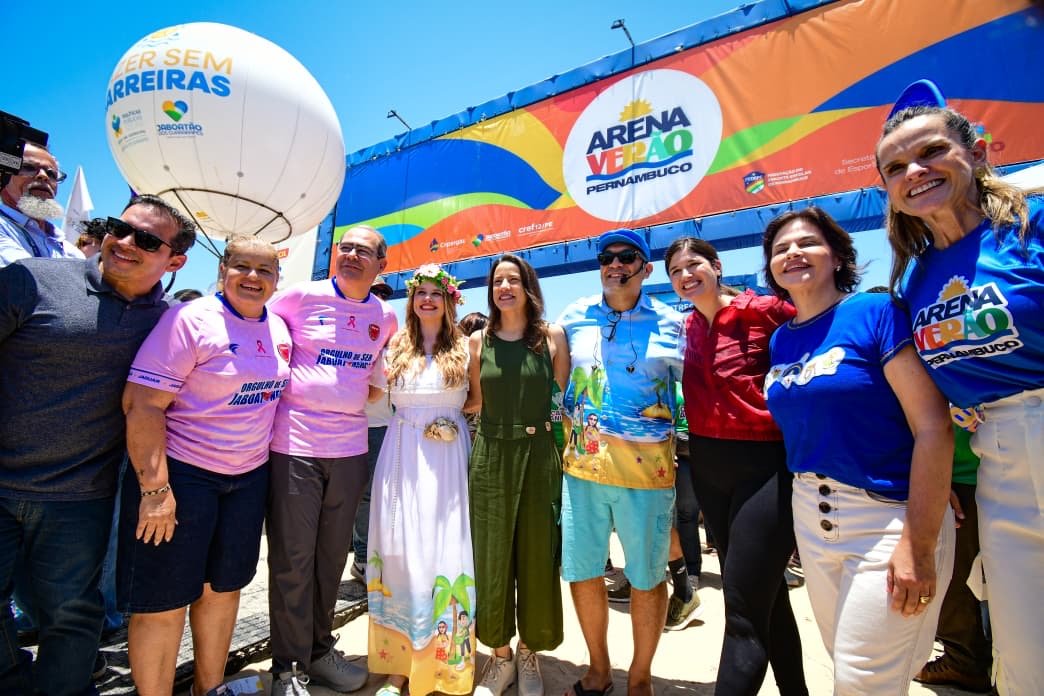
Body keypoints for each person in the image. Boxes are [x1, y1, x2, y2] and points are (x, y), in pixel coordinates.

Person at [875, 87, 1044, 694]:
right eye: (896, 167)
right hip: (999, 466)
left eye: (930, 152)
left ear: (975, 151)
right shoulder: (915, 281)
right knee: (1025, 655)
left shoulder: (1033, 224)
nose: (914, 172)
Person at [0, 195, 195, 694]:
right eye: (118, 228)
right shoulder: (32, 278)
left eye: (146, 240)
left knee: (71, 613)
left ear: (175, 261)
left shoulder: (173, 324)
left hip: (81, 498)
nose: (124, 243)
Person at [761, 206, 955, 693]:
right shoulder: (781, 341)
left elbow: (932, 423)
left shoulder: (875, 311)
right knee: (850, 662)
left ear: (837, 255)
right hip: (811, 516)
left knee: (861, 678)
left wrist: (921, 532)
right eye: (780, 249)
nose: (793, 253)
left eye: (807, 242)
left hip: (887, 518)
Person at [120, 236, 290, 695]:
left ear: (277, 280)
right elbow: (142, 404)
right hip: (183, 475)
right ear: (223, 271)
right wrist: (155, 491)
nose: (253, 277)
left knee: (223, 588)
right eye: (242, 266)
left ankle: (208, 688)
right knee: (164, 601)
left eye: (265, 270)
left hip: (247, 478)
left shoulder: (279, 328)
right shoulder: (189, 319)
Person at [665, 237, 807, 694]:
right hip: (707, 466)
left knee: (742, 611)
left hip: (764, 466)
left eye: (694, 265)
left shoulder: (764, 311)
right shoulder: (684, 327)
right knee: (770, 600)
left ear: (717, 265)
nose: (686, 276)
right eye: (676, 271)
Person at [266, 226, 397, 694]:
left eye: (365, 251)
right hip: (294, 447)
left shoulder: (386, 316)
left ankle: (319, 652)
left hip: (350, 450)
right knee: (292, 561)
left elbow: (377, 375)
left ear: (383, 264)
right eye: (346, 247)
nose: (352, 255)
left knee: (328, 561)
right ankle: (287, 667)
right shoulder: (298, 297)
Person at [557, 228, 683, 696]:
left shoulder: (673, 323)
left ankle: (641, 678)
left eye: (626, 256)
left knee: (647, 577)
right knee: (583, 571)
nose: (614, 264)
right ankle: (598, 669)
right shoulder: (572, 317)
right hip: (581, 470)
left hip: (646, 475)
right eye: (606, 257)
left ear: (645, 268)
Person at [366, 264, 475, 696]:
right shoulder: (394, 346)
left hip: (447, 460)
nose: (426, 300)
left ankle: (444, 667)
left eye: (435, 292)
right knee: (402, 551)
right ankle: (400, 668)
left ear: (449, 300)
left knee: (444, 550)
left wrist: (444, 425)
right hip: (401, 455)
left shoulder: (468, 348)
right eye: (419, 293)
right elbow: (370, 391)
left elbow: (477, 403)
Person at [465, 254, 569, 696]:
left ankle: (530, 652)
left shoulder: (552, 336)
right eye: (497, 281)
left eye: (513, 279)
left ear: (528, 286)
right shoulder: (476, 340)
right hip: (489, 456)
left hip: (541, 452)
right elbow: (472, 401)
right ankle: (500, 655)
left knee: (538, 556)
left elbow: (561, 401)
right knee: (491, 560)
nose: (504, 287)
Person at [913, 419, 992, 693]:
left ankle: (965, 662)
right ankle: (964, 660)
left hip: (975, 471)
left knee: (956, 581)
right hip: (957, 471)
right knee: (956, 578)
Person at [351, 275, 396, 582]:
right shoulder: (350, 330)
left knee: (378, 497)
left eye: (383, 292)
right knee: (357, 497)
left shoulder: (394, 336)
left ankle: (370, 556)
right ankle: (360, 554)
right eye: (374, 290)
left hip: (385, 428)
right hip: (352, 425)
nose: (379, 296)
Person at [0, 141, 82, 265]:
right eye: (28, 168)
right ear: (3, 177)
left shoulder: (71, 251)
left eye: (51, 174)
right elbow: (26, 278)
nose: (44, 176)